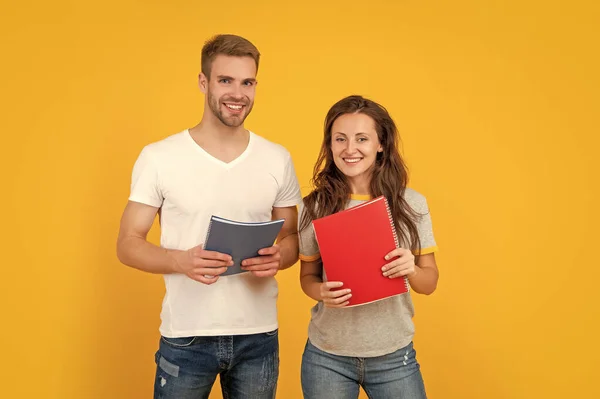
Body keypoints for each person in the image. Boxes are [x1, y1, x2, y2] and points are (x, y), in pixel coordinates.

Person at [116, 34, 301, 399]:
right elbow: (127, 243)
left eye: (247, 82)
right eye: (225, 80)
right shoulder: (159, 157)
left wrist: (281, 257)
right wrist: (179, 260)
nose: (238, 93)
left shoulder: (277, 157)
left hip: (258, 336)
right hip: (187, 337)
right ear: (203, 82)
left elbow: (292, 238)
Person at [298, 95, 439, 399]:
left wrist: (411, 269)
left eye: (362, 138)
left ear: (381, 144)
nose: (350, 149)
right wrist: (319, 291)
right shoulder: (314, 206)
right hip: (327, 356)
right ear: (330, 145)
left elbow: (429, 284)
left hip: (394, 356)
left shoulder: (411, 204)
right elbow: (307, 276)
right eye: (340, 139)